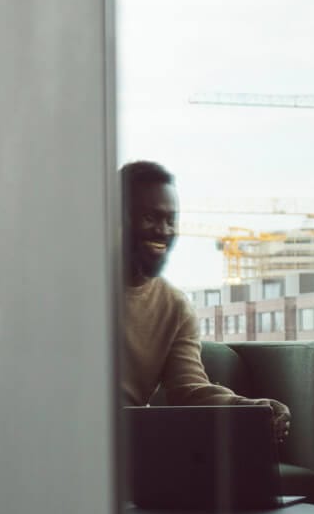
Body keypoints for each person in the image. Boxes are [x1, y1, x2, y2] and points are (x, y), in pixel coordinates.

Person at [121, 160, 290, 441]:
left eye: (170, 220)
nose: (163, 231)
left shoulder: (173, 305)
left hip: (131, 444)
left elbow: (188, 389)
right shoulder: (70, 287)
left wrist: (249, 409)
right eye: (149, 218)